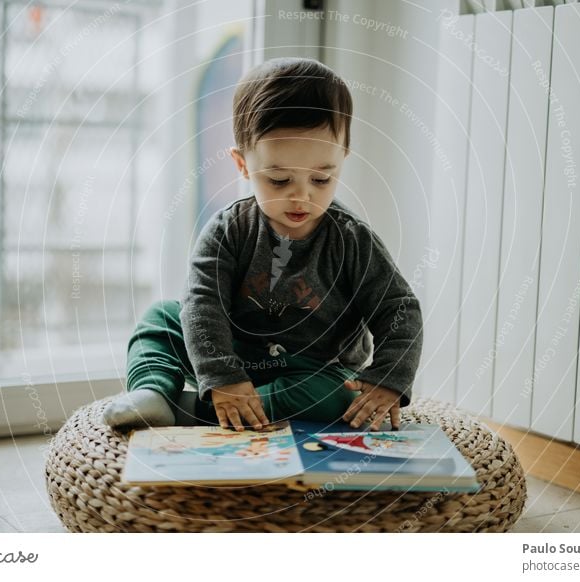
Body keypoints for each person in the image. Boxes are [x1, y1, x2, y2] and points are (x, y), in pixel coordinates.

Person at [103, 57, 423, 433]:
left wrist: (387, 378)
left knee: (336, 396)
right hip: (235, 357)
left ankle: (193, 412)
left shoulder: (351, 239)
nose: (300, 195)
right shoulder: (229, 230)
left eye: (322, 178)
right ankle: (154, 392)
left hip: (315, 370)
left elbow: (399, 309)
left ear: (342, 159)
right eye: (278, 179)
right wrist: (222, 374)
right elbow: (202, 302)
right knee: (160, 320)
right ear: (242, 165)